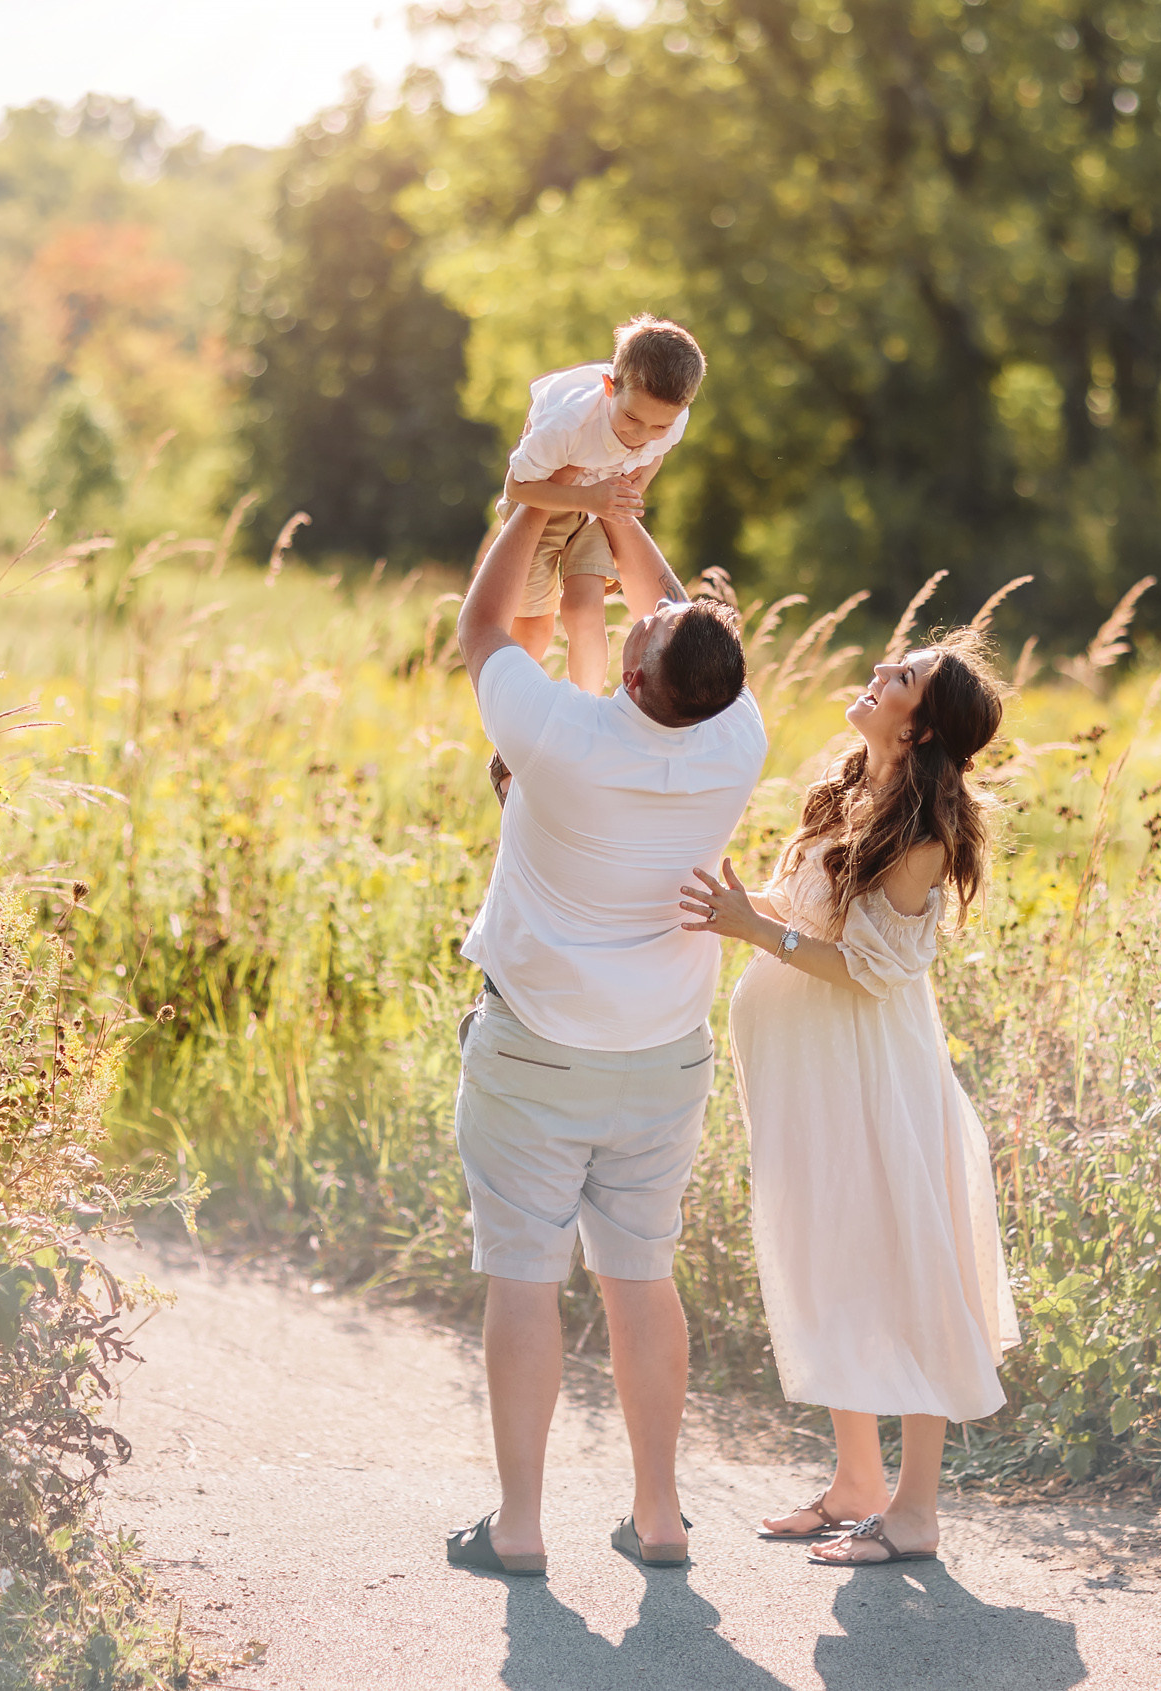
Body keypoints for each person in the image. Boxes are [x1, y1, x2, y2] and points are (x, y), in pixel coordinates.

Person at [441, 481, 765, 1580]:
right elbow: (686, 636)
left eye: (635, 633)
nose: (637, 614)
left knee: (526, 1277)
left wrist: (537, 503)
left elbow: (482, 628)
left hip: (535, 1049)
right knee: (641, 1275)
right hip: (663, 1058)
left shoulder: (563, 733)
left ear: (630, 678)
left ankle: (521, 1527)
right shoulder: (737, 741)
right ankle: (660, 1517)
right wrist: (623, 520)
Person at [677, 627, 1020, 1568]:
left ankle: (914, 1512)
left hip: (874, 1077)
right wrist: (754, 908)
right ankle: (857, 1481)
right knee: (831, 1255)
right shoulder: (844, 784)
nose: (878, 672)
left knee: (904, 1267)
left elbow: (871, 973)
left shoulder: (921, 834)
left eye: (901, 676)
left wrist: (754, 931)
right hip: (812, 1078)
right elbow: (820, 912)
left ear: (921, 728)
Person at [481, 315, 706, 802]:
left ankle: (583, 721)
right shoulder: (566, 424)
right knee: (534, 627)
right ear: (609, 386)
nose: (642, 434)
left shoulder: (669, 421)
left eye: (659, 424)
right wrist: (591, 499)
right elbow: (517, 487)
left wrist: (626, 495)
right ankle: (515, 724)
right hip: (545, 503)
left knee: (584, 608)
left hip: (601, 505)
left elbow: (656, 453)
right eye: (631, 419)